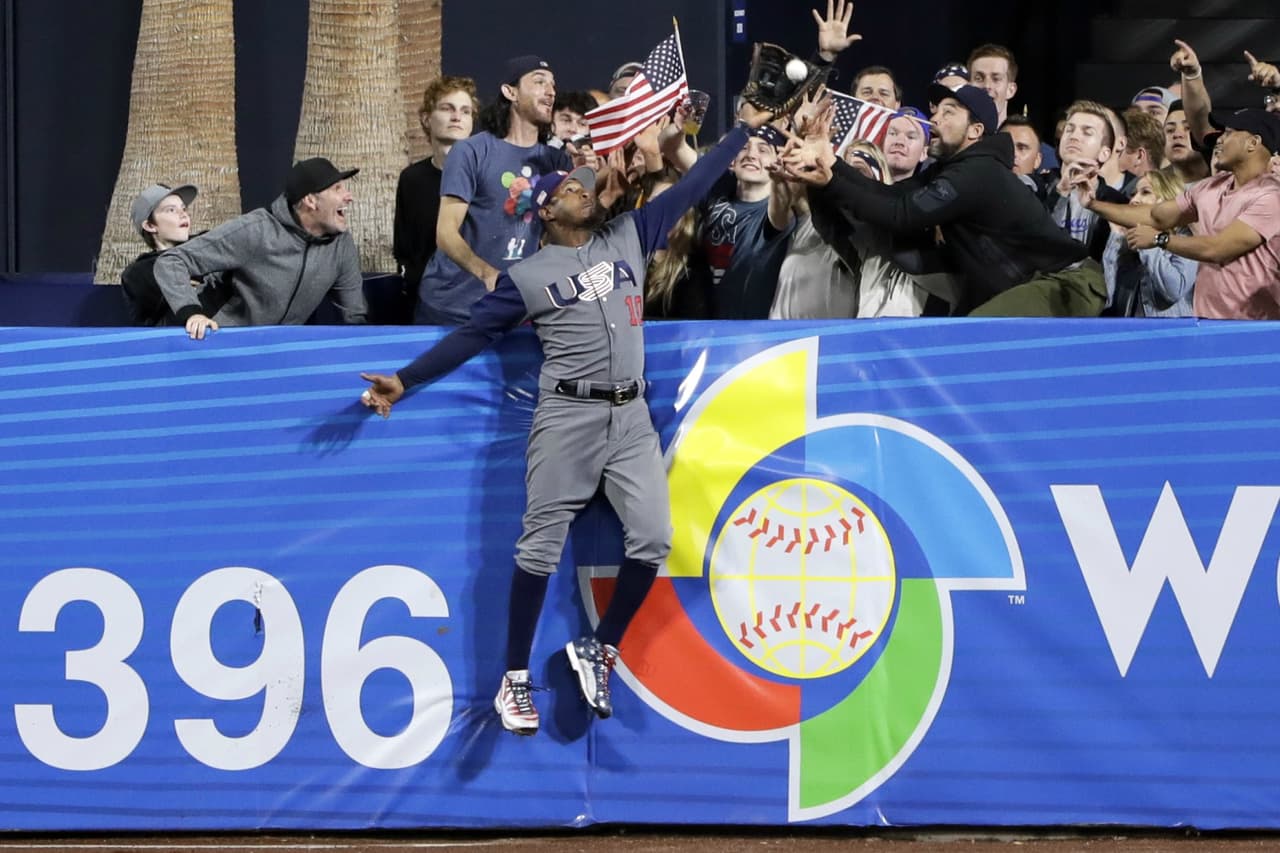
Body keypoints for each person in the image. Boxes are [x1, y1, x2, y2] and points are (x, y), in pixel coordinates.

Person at [357, 109, 777, 736]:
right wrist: (405, 379)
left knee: (654, 539)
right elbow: (471, 337)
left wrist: (741, 131)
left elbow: (695, 185)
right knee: (539, 549)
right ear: (547, 215)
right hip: (567, 415)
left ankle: (599, 650)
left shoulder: (631, 233)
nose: (586, 192)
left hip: (631, 416)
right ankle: (514, 680)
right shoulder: (525, 278)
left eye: (585, 187)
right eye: (573, 191)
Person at [780, 84, 1100, 316]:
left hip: (1068, 283)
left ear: (975, 131)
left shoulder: (978, 173)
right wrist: (831, 163)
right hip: (1027, 286)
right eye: (936, 109)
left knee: (973, 335)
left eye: (949, 112)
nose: (935, 118)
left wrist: (833, 179)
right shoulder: (953, 170)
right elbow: (889, 196)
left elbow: (900, 215)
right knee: (963, 333)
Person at [1078, 107, 1280, 320]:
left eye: (1229, 132)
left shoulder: (1271, 196)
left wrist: (1159, 239)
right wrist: (1092, 203)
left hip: (1257, 328)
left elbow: (1218, 248)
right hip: (1208, 322)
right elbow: (1157, 216)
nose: (1220, 140)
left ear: (1253, 143)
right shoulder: (1212, 187)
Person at [417, 55, 571, 325]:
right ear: (510, 92)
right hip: (451, 309)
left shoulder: (557, 162)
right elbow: (445, 233)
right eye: (539, 82)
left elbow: (564, 234)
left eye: (553, 86)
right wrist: (488, 274)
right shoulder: (472, 151)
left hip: (514, 310)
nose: (550, 92)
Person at [153, 158, 366, 339]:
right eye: (337, 188)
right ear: (310, 200)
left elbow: (354, 317)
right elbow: (171, 261)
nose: (349, 196)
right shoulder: (256, 230)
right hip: (218, 343)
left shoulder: (342, 244)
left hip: (277, 352)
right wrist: (192, 313)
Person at [394, 76, 479, 324]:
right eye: (447, 108)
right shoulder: (412, 179)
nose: (457, 117)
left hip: (478, 305)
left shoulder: (487, 176)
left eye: (465, 111)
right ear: (425, 118)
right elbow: (405, 248)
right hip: (426, 307)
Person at [120, 183, 224, 326]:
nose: (183, 214)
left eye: (183, 208)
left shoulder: (206, 244)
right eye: (171, 210)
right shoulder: (138, 272)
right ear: (150, 226)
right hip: (177, 344)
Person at [1101, 168, 1197, 316]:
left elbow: (1173, 291)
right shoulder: (1126, 242)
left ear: (1167, 199)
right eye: (1133, 194)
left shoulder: (1185, 237)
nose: (1134, 200)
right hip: (1130, 333)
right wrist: (1116, 239)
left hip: (1170, 335)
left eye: (1145, 192)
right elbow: (1107, 300)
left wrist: (1149, 243)